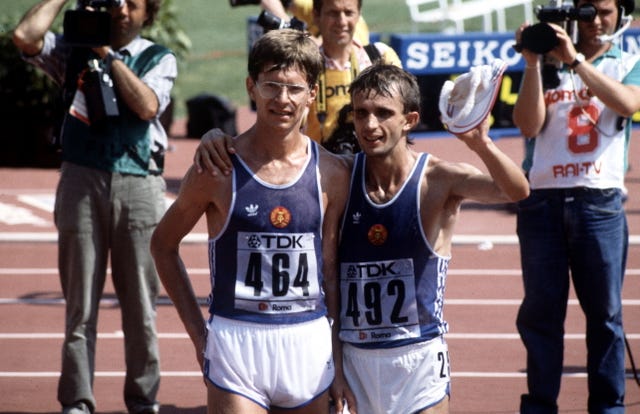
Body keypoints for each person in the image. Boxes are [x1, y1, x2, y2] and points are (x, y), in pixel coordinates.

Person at [193, 63, 530, 414]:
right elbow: (285, 152)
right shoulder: (341, 175)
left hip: (417, 359)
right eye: (361, 113)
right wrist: (218, 138)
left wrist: (481, 143)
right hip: (354, 360)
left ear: (410, 119)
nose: (370, 125)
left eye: (384, 113)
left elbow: (516, 191)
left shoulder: (438, 179)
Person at [150, 29, 352, 413]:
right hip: (237, 342)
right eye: (271, 86)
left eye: (294, 89)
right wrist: (199, 336)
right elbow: (162, 245)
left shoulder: (333, 173)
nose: (282, 99)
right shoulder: (217, 168)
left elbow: (331, 269)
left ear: (313, 93)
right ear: (251, 87)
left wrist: (340, 356)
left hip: (308, 341)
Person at [12, 0, 177, 413]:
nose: (121, 10)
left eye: (132, 4)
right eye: (114, 0)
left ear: (147, 14)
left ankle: (143, 398)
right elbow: (25, 37)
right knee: (79, 304)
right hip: (81, 177)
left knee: (140, 303)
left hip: (139, 183)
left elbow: (147, 106)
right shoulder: (72, 49)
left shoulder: (158, 56)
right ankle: (77, 400)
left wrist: (105, 54)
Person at [512, 0, 640, 412]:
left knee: (604, 317)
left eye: (605, 12)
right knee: (541, 315)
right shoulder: (548, 65)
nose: (596, 22)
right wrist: (534, 63)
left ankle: (608, 407)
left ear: (622, 14)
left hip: (597, 199)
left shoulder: (629, 59)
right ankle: (540, 406)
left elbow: (628, 103)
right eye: (587, 13)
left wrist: (577, 62)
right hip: (543, 201)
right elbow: (528, 125)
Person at [260, 0, 370, 45]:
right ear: (316, 14)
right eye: (332, 13)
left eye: (348, 12)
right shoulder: (317, 5)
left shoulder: (356, 30)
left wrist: (286, 26)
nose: (342, 21)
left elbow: (322, 52)